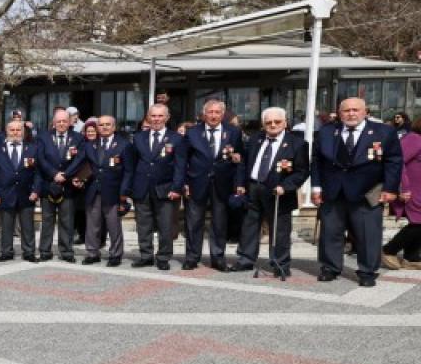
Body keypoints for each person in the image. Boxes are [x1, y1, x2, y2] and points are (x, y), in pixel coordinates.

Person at [311, 97, 403, 286]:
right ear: (339, 113)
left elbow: (394, 161)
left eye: (356, 110)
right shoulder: (327, 132)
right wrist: (316, 187)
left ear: (365, 111)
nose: (351, 113)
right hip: (333, 191)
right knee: (330, 233)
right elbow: (317, 162)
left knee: (368, 234)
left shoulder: (384, 132)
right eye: (346, 110)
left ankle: (368, 272)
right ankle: (330, 268)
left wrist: (391, 188)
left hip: (367, 192)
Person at [231, 108, 309, 276]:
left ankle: (280, 263)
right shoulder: (254, 140)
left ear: (285, 123)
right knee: (249, 226)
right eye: (268, 122)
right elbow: (244, 163)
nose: (273, 125)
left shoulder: (298, 143)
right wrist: (241, 183)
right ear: (263, 124)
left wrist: (286, 186)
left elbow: (302, 172)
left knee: (280, 229)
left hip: (278, 192)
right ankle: (245, 259)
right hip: (253, 187)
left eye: (277, 122)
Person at [182, 99, 244, 271]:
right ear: (204, 114)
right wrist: (184, 183)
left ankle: (218, 258)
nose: (213, 116)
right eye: (210, 112)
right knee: (194, 223)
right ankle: (192, 257)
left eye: (217, 112)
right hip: (196, 183)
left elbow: (239, 159)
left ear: (222, 114)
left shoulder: (234, 132)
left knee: (219, 223)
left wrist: (239, 183)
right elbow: (183, 160)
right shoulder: (192, 132)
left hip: (223, 184)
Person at [130, 103, 186, 270]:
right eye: (153, 116)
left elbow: (180, 166)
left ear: (167, 118)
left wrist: (176, 188)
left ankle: (163, 257)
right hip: (142, 188)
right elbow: (132, 164)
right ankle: (146, 256)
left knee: (165, 226)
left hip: (165, 189)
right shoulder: (138, 137)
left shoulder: (177, 138)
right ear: (148, 117)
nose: (156, 119)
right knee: (143, 225)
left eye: (160, 116)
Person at [37, 108, 86, 262]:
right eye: (58, 121)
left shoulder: (78, 138)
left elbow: (80, 159)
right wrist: (54, 174)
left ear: (70, 122)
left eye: (64, 121)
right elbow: (40, 158)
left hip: (68, 186)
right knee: (47, 221)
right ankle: (45, 251)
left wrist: (65, 174)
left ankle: (66, 252)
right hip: (48, 185)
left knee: (67, 221)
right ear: (54, 122)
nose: (61, 124)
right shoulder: (43, 137)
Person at [82, 116, 131, 266]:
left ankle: (115, 254)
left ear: (114, 127)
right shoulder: (90, 145)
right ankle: (92, 253)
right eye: (101, 125)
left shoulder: (124, 145)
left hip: (113, 192)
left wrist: (124, 193)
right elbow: (84, 166)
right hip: (93, 190)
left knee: (113, 224)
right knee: (92, 224)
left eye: (107, 125)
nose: (104, 127)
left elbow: (128, 172)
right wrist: (78, 178)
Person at [0, 119, 41, 260]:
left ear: (23, 132)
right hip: (5, 193)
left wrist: (36, 190)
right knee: (6, 227)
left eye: (18, 130)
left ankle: (29, 252)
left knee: (27, 226)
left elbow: (38, 172)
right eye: (12, 130)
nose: (15, 132)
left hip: (27, 193)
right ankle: (6, 252)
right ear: (7, 131)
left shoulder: (32, 148)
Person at [383, 116, 421, 269]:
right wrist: (402, 188)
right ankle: (389, 250)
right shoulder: (414, 138)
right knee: (418, 223)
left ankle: (411, 257)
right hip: (413, 191)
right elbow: (397, 162)